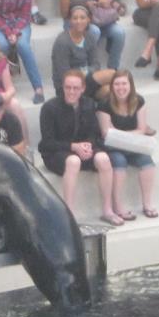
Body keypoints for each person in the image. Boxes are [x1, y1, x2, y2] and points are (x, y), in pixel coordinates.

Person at [38, 70, 120, 224]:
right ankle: (69, 215)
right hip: (56, 153)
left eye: (75, 88)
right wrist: (73, 146)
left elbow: (94, 133)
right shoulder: (49, 108)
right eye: (68, 87)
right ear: (63, 87)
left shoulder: (88, 104)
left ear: (82, 89)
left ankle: (107, 210)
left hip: (81, 149)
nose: (71, 91)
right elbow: (47, 143)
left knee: (103, 159)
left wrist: (88, 146)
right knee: (74, 161)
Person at [96, 70, 158, 220]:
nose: (120, 88)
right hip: (112, 146)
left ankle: (147, 204)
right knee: (119, 162)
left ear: (131, 85)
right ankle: (118, 206)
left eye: (124, 83)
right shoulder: (104, 104)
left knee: (147, 162)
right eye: (117, 84)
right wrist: (130, 135)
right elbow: (106, 133)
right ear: (112, 87)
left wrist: (122, 135)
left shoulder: (139, 101)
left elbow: (142, 129)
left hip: (132, 145)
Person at [51, 4, 115, 99]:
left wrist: (85, 72)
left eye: (82, 18)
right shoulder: (62, 42)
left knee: (108, 90)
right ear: (69, 21)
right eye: (75, 18)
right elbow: (63, 74)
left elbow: (96, 64)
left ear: (88, 20)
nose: (78, 21)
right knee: (112, 73)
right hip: (68, 86)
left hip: (86, 81)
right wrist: (85, 72)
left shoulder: (89, 37)